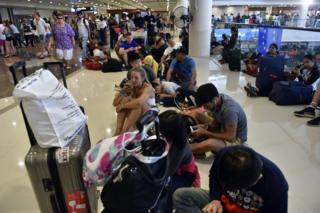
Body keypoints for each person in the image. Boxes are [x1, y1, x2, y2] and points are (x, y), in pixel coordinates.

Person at [173, 146, 289, 213]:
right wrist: (215, 199)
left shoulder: (276, 185)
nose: (259, 177)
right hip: (224, 203)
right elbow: (214, 176)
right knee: (180, 195)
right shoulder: (225, 156)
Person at [191, 83, 247, 153]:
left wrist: (205, 132)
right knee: (196, 114)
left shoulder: (230, 110)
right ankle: (198, 134)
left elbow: (231, 138)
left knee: (210, 143)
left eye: (205, 105)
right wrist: (206, 127)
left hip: (235, 139)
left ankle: (183, 149)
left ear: (214, 100)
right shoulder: (219, 99)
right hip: (223, 126)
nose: (204, 108)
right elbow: (216, 120)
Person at [113, 67, 156, 135]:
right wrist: (123, 90)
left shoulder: (148, 88)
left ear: (142, 78)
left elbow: (139, 102)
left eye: (136, 78)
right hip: (139, 114)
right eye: (132, 77)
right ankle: (118, 131)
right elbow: (115, 103)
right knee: (125, 100)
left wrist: (122, 106)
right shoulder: (133, 87)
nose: (133, 80)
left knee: (137, 105)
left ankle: (123, 133)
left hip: (150, 115)